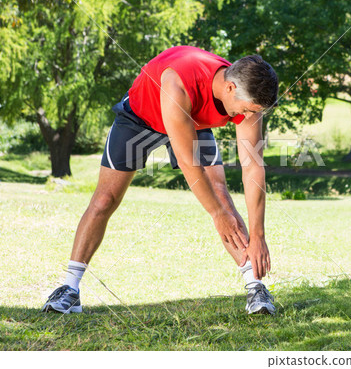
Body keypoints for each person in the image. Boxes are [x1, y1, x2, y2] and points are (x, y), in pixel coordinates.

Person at [42, 46, 279, 315]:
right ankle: (70, 289)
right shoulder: (177, 84)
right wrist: (217, 214)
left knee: (220, 193)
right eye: (248, 110)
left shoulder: (248, 93)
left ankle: (255, 288)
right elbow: (191, 167)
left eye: (255, 112)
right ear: (230, 88)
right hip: (141, 118)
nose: (249, 117)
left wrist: (258, 234)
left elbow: (253, 167)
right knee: (105, 199)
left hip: (192, 120)